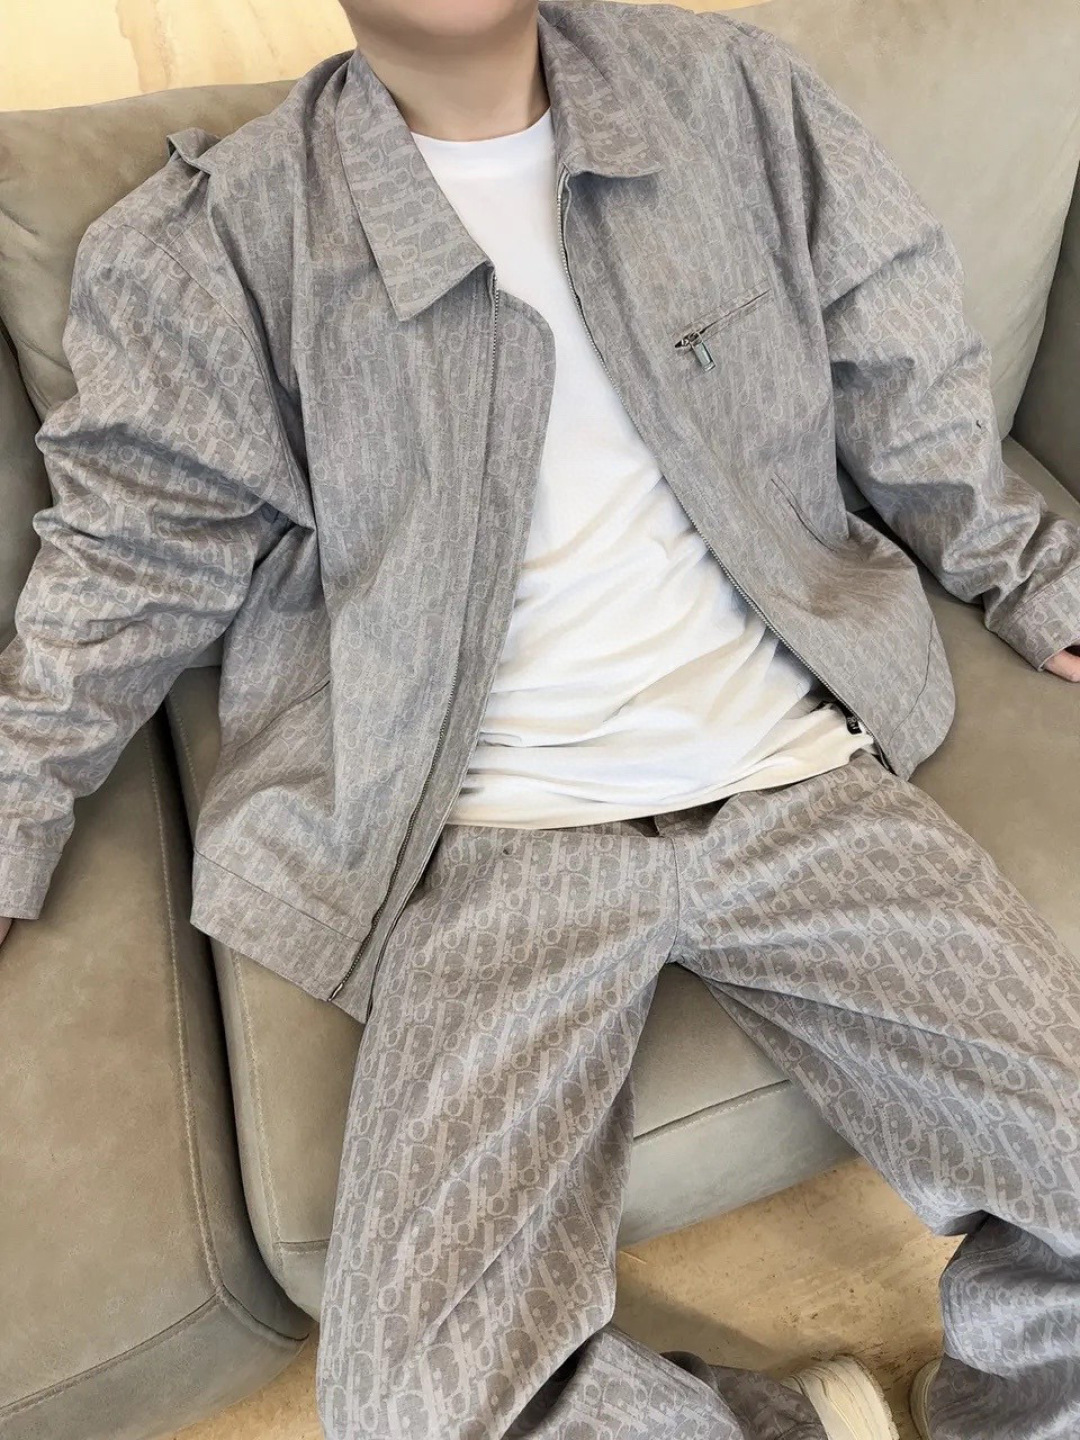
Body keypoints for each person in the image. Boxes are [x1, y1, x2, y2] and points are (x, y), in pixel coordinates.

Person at [1, 0, 1078, 1436]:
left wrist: (1030, 576)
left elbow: (908, 374)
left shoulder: (736, 96)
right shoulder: (217, 240)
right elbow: (130, 559)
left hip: (805, 774)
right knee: (419, 1406)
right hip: (489, 841)